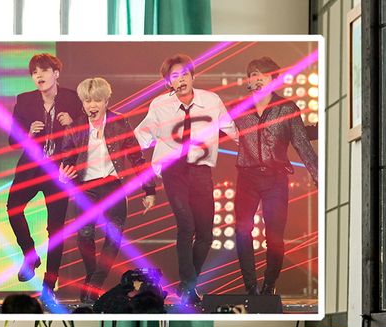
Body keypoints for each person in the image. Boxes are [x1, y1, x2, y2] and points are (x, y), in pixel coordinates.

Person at [134, 53, 239, 307]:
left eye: (184, 75)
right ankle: (189, 289)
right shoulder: (160, 105)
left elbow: (233, 130)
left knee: (205, 232)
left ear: (193, 76)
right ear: (168, 82)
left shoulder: (211, 101)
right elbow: (141, 136)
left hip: (201, 170)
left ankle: (186, 285)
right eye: (174, 77)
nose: (180, 81)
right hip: (173, 170)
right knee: (186, 225)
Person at [60, 77, 156, 304]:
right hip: (85, 187)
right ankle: (92, 276)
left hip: (112, 185)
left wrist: (149, 189)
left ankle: (94, 283)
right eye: (87, 101)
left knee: (114, 236)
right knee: (84, 235)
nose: (92, 105)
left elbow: (137, 158)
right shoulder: (75, 128)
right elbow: (65, 160)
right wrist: (63, 176)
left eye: (97, 100)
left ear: (106, 101)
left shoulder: (119, 123)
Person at [232, 56, 319, 296]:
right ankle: (250, 286)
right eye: (253, 76)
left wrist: (317, 174)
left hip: (275, 178)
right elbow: (214, 131)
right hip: (247, 178)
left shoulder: (287, 108)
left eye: (262, 75)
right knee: (241, 230)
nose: (257, 80)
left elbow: (302, 144)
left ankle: (269, 285)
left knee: (275, 236)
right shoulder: (238, 109)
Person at [6, 53, 85, 301]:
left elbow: (85, 138)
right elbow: (12, 141)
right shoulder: (25, 101)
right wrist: (28, 132)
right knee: (12, 209)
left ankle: (49, 285)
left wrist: (72, 124)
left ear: (56, 73)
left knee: (56, 229)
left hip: (59, 171)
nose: (38, 76)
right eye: (34, 72)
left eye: (44, 71)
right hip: (31, 166)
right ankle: (30, 255)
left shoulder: (73, 99)